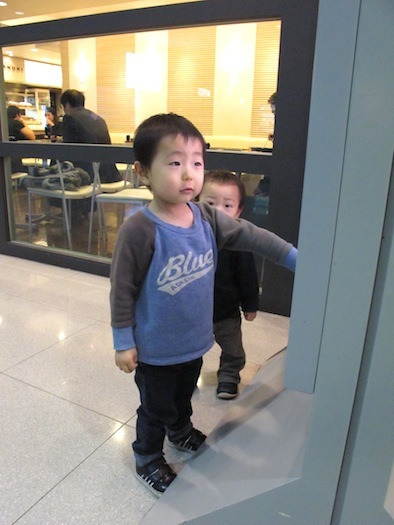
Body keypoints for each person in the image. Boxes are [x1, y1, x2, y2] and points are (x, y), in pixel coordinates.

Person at [110, 113, 297, 497]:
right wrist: (122, 340)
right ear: (143, 171)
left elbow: (252, 235)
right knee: (155, 407)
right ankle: (147, 455)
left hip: (193, 341)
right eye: (175, 162)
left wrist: (291, 255)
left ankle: (180, 432)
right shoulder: (139, 230)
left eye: (196, 162)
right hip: (156, 349)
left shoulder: (206, 217)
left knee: (184, 396)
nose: (189, 174)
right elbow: (121, 290)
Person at [199, 170, 259, 399]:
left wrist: (250, 305)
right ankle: (186, 377)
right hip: (194, 312)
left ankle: (229, 375)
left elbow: (247, 276)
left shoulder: (238, 242)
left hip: (226, 312)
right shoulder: (189, 236)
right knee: (190, 351)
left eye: (227, 205)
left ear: (239, 211)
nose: (217, 211)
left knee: (233, 348)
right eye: (210, 203)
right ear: (197, 203)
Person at [60, 89, 121, 183]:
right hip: (110, 173)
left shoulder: (70, 117)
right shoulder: (97, 117)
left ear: (67, 104)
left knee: (55, 168)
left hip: (90, 176)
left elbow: (68, 149)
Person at [7, 105, 36, 173]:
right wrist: (24, 123)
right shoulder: (16, 123)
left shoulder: (4, 123)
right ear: (18, 115)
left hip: (6, 158)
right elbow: (32, 136)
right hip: (14, 159)